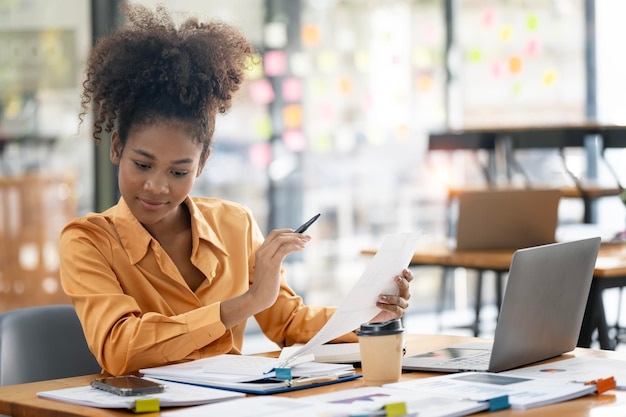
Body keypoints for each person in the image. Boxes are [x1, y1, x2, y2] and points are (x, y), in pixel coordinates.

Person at [59, 4, 414, 376]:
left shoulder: (234, 224)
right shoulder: (88, 241)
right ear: (116, 147)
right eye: (142, 165)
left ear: (203, 163)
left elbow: (289, 322)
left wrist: (368, 314)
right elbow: (121, 349)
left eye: (179, 171)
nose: (157, 186)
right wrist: (247, 302)